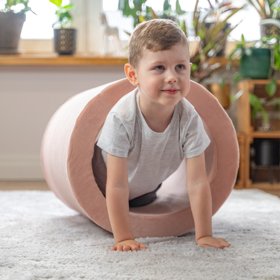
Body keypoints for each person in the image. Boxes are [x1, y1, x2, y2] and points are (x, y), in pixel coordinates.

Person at [96, 19, 230, 251]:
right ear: (133, 75)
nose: (172, 76)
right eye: (159, 68)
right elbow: (116, 186)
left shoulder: (188, 118)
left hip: (146, 192)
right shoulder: (122, 117)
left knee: (146, 198)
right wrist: (124, 237)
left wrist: (204, 234)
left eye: (180, 67)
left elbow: (198, 181)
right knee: (116, 189)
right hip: (105, 185)